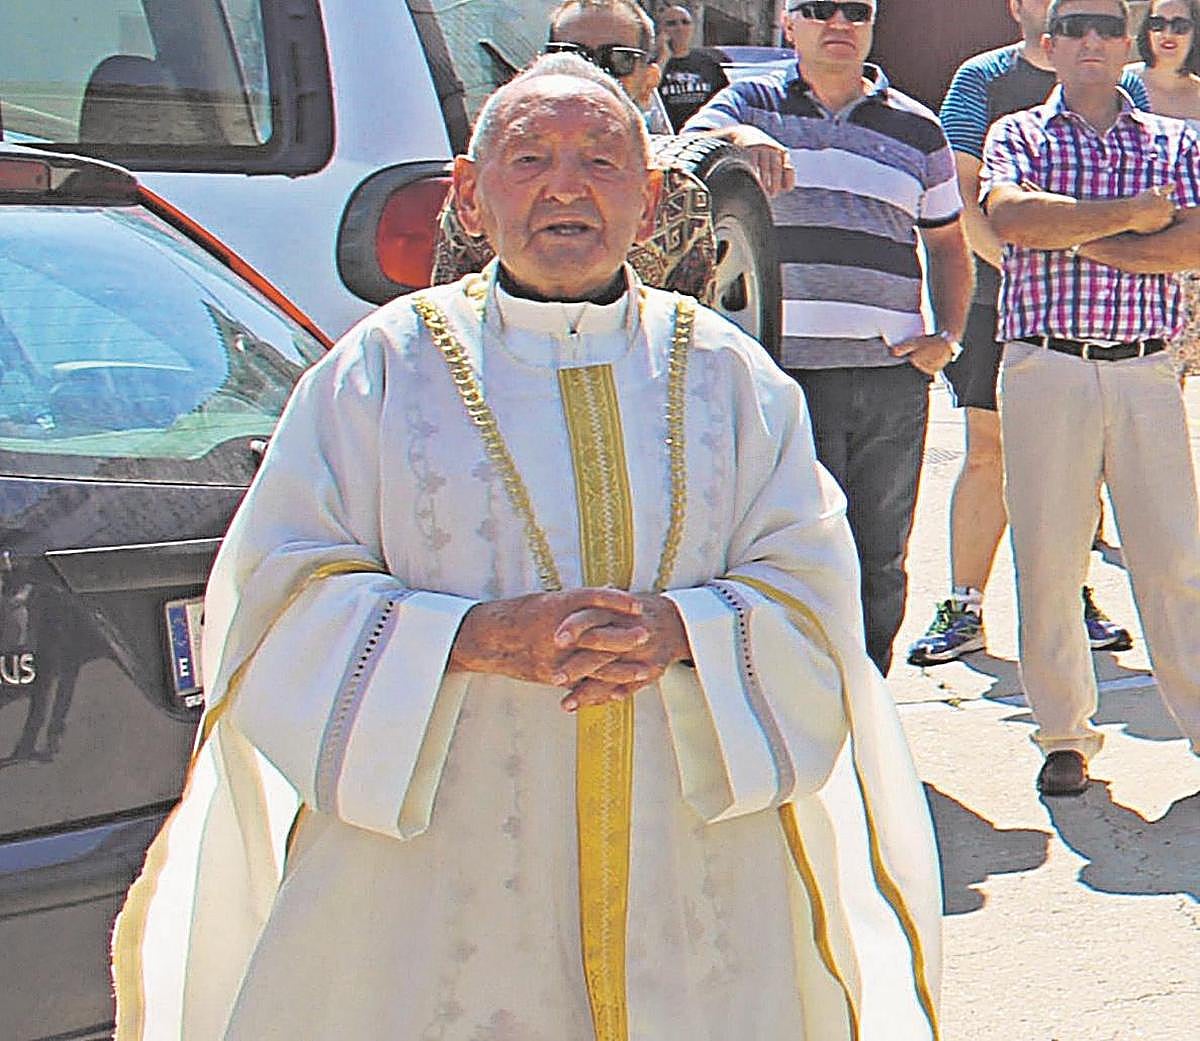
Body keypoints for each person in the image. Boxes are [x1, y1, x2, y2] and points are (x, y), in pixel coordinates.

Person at [111, 54, 943, 1041]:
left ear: (648, 199)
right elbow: (274, 595)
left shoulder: (727, 376)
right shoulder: (380, 370)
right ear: (469, 194)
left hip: (687, 869)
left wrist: (686, 628)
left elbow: (812, 593)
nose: (565, 186)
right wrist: (464, 640)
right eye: (529, 158)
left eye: (601, 162)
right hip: (444, 875)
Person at [681, 0, 974, 674]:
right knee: (783, 547)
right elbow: (686, 156)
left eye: (855, 10)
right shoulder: (748, 102)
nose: (838, 22)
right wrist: (739, 142)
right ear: (789, 23)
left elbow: (949, 247)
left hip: (887, 379)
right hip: (778, 378)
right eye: (818, 9)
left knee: (878, 552)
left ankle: (865, 701)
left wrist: (947, 337)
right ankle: (788, 700)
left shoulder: (919, 128)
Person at [981, 0, 1200, 795]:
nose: (1092, 42)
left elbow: (1189, 240)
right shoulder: (1019, 135)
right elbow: (1008, 217)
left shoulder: (1176, 140)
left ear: (1127, 42)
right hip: (1048, 366)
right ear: (1049, 44)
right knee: (1048, 556)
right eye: (1074, 28)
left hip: (1146, 369)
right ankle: (1065, 735)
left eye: (1107, 27)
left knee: (1174, 557)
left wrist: (1074, 230)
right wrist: (1132, 221)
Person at [907, 0, 1141, 666]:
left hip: (1095, 300)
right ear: (1018, 7)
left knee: (1080, 455)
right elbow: (964, 186)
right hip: (1000, 297)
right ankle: (964, 604)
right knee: (989, 448)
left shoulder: (1121, 83)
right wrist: (1019, 269)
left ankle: (1072, 594)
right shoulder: (983, 77)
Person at [431, 0, 717, 304]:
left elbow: (687, 330)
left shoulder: (681, 196)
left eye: (619, 59)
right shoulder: (488, 186)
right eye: (569, 52)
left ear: (649, 81)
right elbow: (452, 312)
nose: (586, 70)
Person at [1128, 0, 1200, 377]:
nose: (1167, 34)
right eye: (1158, 23)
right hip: (1136, 245)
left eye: (1180, 25)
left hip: (1194, 251)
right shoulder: (1123, 85)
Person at [656, 4, 729, 130]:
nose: (680, 28)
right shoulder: (653, 65)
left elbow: (723, 100)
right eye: (672, 24)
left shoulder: (708, 62)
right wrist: (663, 58)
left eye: (685, 22)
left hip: (703, 134)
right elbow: (647, 94)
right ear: (661, 30)